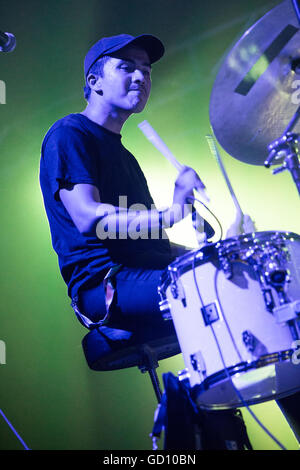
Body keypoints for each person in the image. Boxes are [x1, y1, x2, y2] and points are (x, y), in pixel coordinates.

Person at [39, 34, 205, 341]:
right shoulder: (69, 133)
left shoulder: (127, 159)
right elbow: (91, 218)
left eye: (146, 69)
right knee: (207, 292)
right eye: (127, 67)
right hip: (107, 281)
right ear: (95, 81)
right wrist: (171, 213)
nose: (141, 76)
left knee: (243, 282)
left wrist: (213, 255)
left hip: (147, 268)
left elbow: (152, 242)